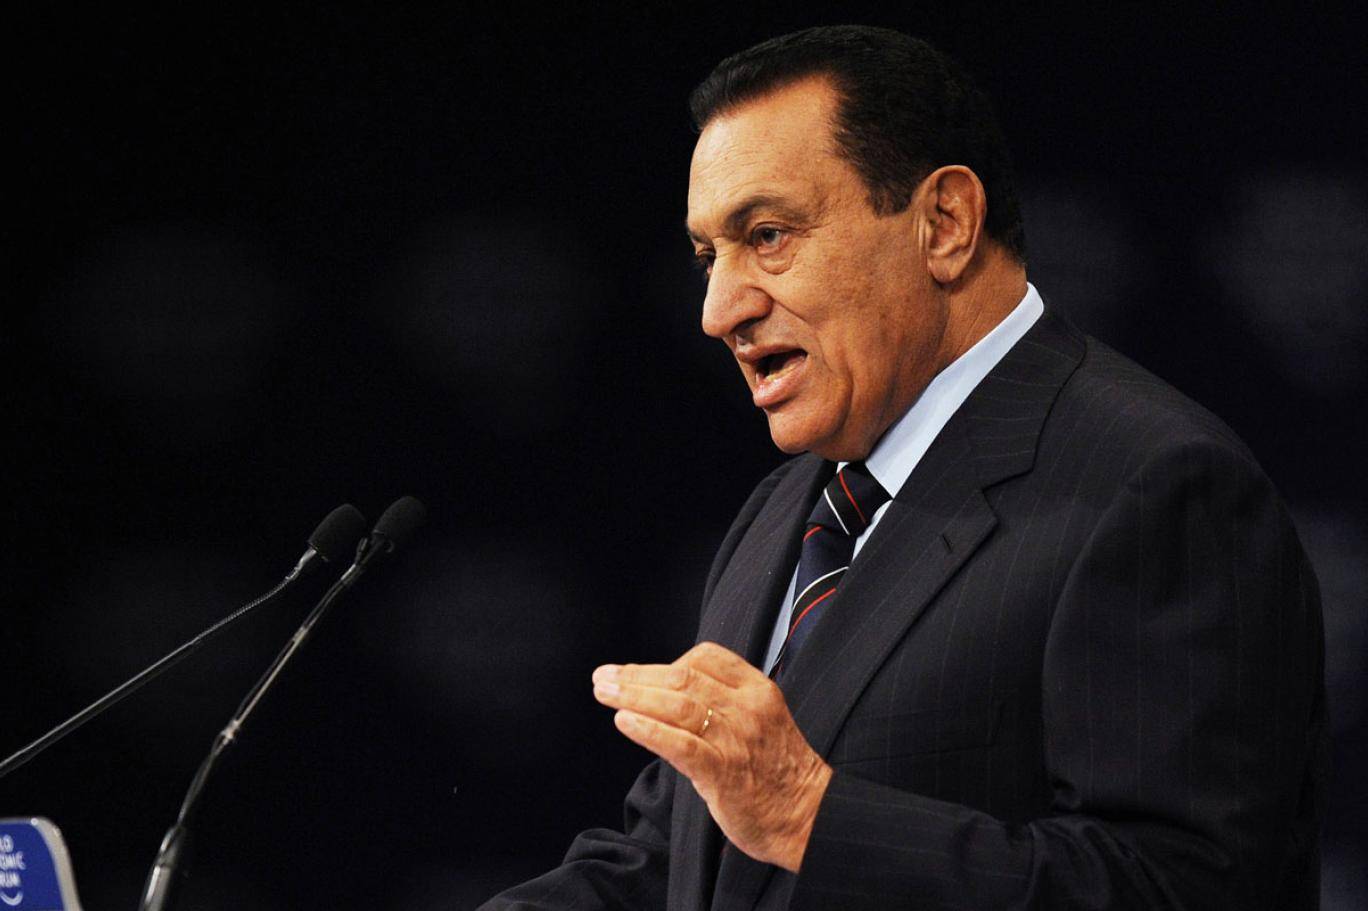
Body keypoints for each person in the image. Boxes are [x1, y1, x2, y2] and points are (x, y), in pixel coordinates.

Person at [478, 25, 1327, 911]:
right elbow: (679, 856)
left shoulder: (1154, 487)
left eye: (767, 234)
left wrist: (811, 814)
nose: (718, 310)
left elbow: (1182, 888)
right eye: (707, 257)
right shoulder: (787, 511)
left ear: (944, 224)